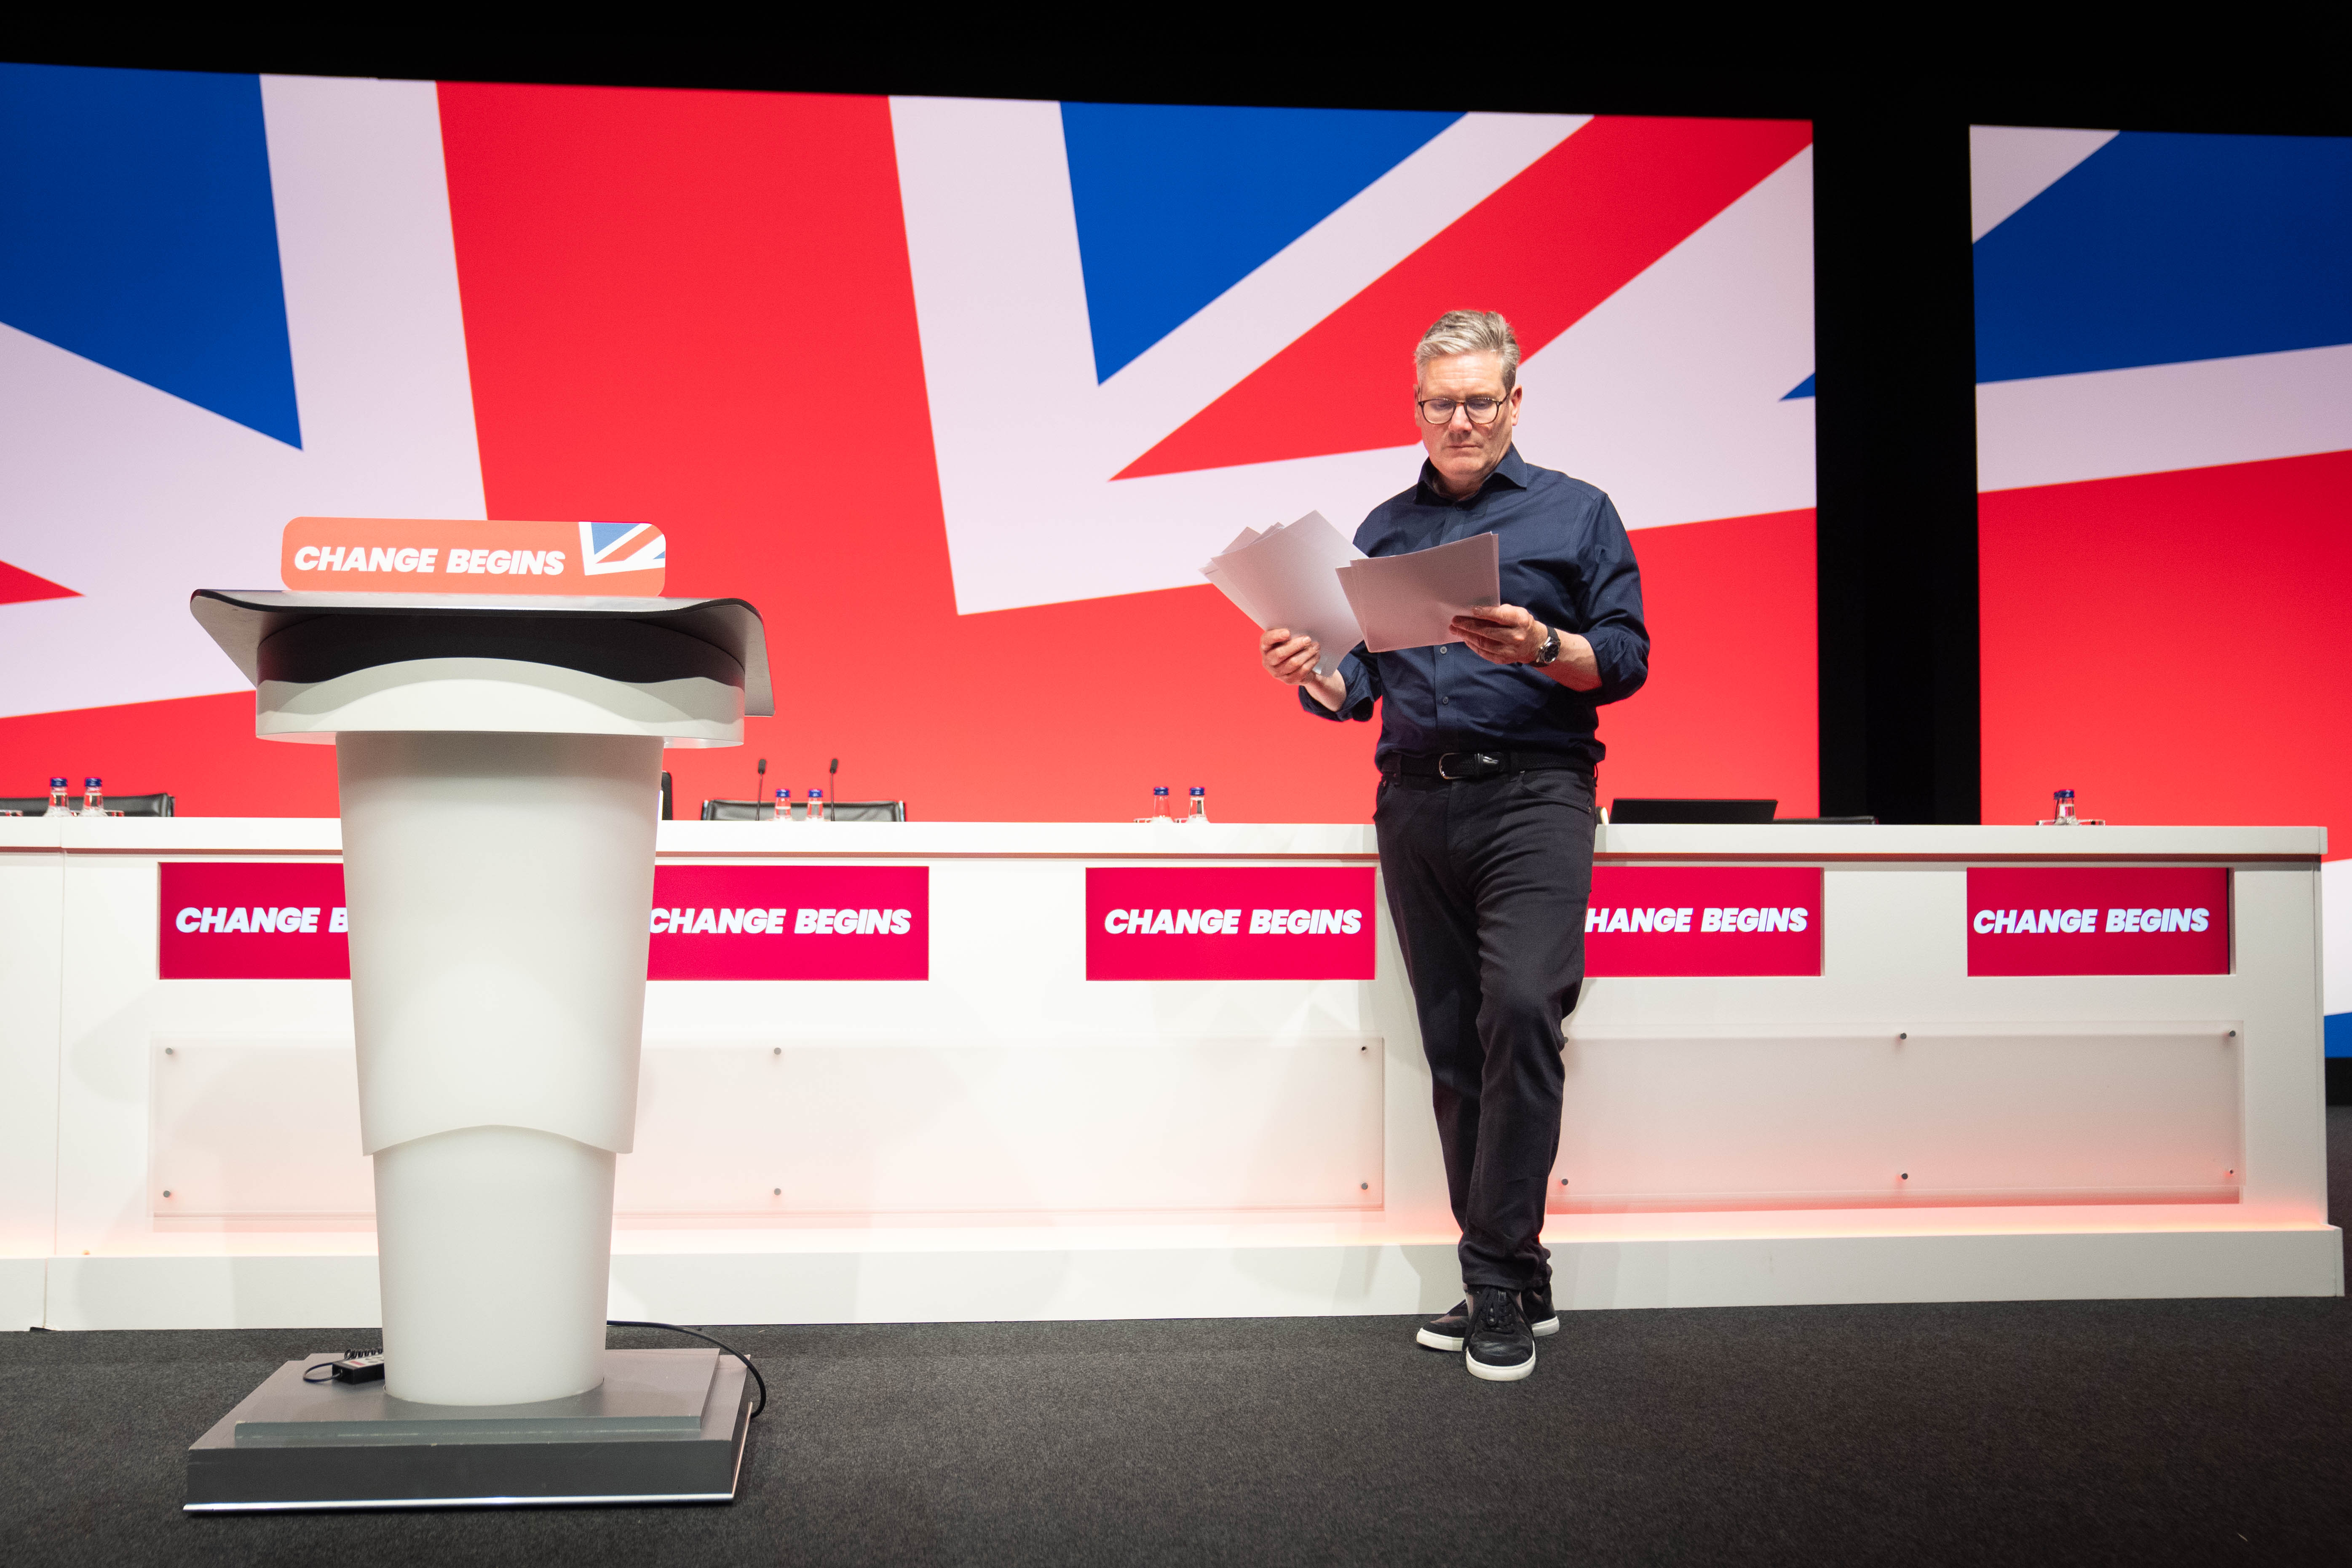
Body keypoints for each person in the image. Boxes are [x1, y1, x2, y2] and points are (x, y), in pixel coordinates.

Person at [1260, 310, 1648, 1382]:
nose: (1461, 419)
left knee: (1522, 1009)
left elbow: (1623, 657)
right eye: (1442, 402)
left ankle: (1489, 1283)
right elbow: (1362, 686)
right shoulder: (1382, 530)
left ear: (1514, 403)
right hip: (1415, 801)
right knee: (1451, 1046)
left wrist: (1544, 642)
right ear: (1417, 408)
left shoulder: (1578, 514)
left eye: (1481, 400)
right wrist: (1315, 671)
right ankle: (1515, 1273)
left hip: (1536, 795)